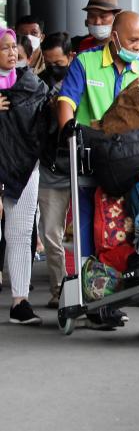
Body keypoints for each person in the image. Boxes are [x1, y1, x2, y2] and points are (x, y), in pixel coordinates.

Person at [56, 11, 139, 327]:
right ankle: (86, 295)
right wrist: (67, 130)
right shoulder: (85, 63)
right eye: (132, 40)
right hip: (90, 157)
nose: (138, 46)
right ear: (114, 37)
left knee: (117, 233)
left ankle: (109, 297)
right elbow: (67, 101)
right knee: (87, 228)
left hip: (127, 163)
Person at [0, 27, 49, 324]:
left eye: (13, 47)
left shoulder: (29, 84)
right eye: (3, 47)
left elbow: (43, 117)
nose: (10, 52)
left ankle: (20, 302)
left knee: (20, 233)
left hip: (24, 167)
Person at [36, 32, 74, 307]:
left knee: (89, 233)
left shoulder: (82, 82)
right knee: (50, 232)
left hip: (82, 167)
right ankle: (59, 290)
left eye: (58, 62)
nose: (53, 68)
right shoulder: (37, 85)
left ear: (71, 57)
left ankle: (93, 290)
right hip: (51, 167)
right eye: (48, 63)